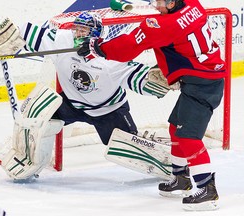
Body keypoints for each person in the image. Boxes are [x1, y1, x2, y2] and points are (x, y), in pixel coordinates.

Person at [0, 12, 175, 180]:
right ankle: (24, 156)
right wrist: (11, 35)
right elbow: (29, 34)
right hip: (71, 104)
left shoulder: (109, 57)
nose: (78, 33)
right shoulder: (62, 40)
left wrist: (157, 80)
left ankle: (173, 166)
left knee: (128, 148)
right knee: (36, 114)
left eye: (85, 30)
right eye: (77, 29)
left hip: (109, 111)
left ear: (96, 34)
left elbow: (137, 76)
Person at [77, 0, 225, 211]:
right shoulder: (194, 4)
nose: (155, 4)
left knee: (188, 137)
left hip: (202, 84)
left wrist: (97, 47)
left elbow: (128, 46)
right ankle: (180, 177)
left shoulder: (164, 25)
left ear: (173, 2)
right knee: (175, 128)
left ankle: (206, 189)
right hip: (202, 78)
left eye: (159, 1)